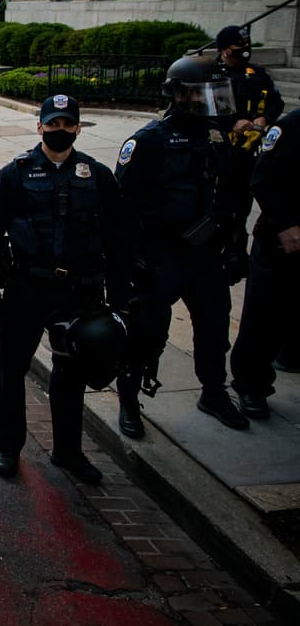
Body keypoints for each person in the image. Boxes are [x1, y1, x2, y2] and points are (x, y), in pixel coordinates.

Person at [0, 95, 132, 485]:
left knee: (71, 373)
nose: (59, 131)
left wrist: (117, 298)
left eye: (67, 124)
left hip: (78, 291)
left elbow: (118, 238)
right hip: (28, 287)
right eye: (52, 124)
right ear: (39, 126)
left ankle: (68, 452)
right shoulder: (14, 174)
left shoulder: (96, 176)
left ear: (78, 128)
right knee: (11, 371)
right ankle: (8, 449)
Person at [114, 54, 249, 436]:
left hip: (205, 255)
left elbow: (234, 195)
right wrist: (132, 260)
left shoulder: (218, 137)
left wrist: (238, 243)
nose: (210, 101)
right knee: (147, 331)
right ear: (178, 95)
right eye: (200, 94)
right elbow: (123, 205)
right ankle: (128, 397)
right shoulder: (149, 141)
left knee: (214, 325)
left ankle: (213, 392)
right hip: (161, 255)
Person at [228, 108, 300, 419]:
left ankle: (291, 354)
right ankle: (251, 385)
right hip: (282, 241)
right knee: (265, 313)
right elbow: (263, 180)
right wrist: (285, 225)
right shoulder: (291, 127)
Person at [216, 24, 284, 275]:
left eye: (245, 44)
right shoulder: (213, 75)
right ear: (224, 50)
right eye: (238, 46)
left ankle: (236, 249)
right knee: (221, 200)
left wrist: (264, 119)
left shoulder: (256, 74)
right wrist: (231, 124)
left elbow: (276, 102)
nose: (244, 50)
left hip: (249, 151)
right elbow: (206, 111)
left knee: (243, 201)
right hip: (222, 150)